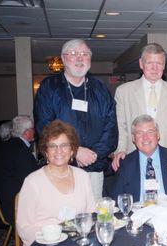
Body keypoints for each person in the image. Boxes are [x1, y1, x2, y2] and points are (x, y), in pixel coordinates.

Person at [33, 39, 118, 200]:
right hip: (61, 167)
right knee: (63, 217)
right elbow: (44, 128)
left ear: (90, 60)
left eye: (84, 54)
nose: (80, 58)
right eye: (73, 54)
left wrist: (92, 155)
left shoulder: (100, 89)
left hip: (94, 168)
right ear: (63, 59)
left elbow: (111, 127)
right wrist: (76, 151)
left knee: (92, 215)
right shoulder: (49, 87)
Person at [16, 120, 96, 246]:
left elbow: (92, 213)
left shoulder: (82, 176)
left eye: (64, 145)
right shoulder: (33, 182)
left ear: (72, 150)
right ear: (46, 152)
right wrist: (54, 239)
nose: (59, 151)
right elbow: (24, 228)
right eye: (52, 146)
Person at [112, 43, 167, 171]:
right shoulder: (123, 92)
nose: (155, 68)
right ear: (141, 64)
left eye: (159, 63)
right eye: (150, 63)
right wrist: (121, 150)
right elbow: (120, 125)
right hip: (133, 157)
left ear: (164, 65)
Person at [111, 115, 167, 202]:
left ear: (158, 135)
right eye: (139, 133)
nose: (145, 137)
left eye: (150, 132)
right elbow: (117, 200)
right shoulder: (125, 164)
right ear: (133, 138)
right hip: (137, 213)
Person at [0, 115, 38, 223]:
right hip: (15, 207)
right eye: (33, 129)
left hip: (0, 203)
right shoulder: (21, 151)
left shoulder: (3, 146)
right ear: (27, 132)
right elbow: (32, 182)